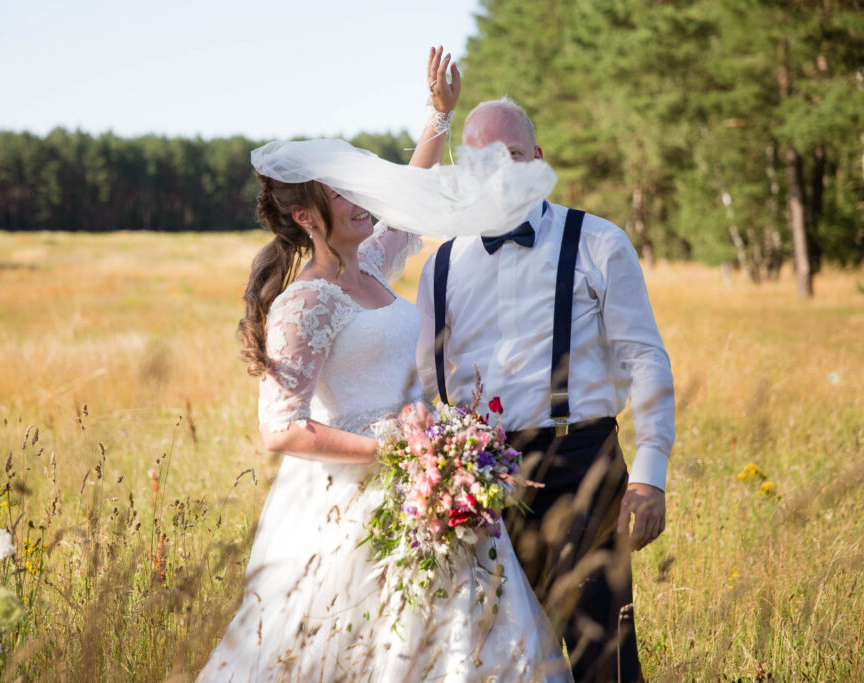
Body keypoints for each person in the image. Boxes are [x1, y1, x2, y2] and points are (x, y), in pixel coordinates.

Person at [198, 53, 572, 682]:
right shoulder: (305, 302)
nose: (363, 200)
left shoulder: (370, 267)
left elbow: (407, 197)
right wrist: (397, 451)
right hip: (353, 502)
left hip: (433, 486)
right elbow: (281, 429)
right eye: (343, 196)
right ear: (307, 217)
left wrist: (440, 115)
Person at [416, 97, 675, 683]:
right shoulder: (442, 266)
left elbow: (646, 358)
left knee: (601, 657)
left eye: (512, 155)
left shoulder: (598, 242)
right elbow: (427, 387)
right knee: (495, 657)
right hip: (478, 484)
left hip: (582, 466)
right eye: (482, 159)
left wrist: (649, 473)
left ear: (537, 157)